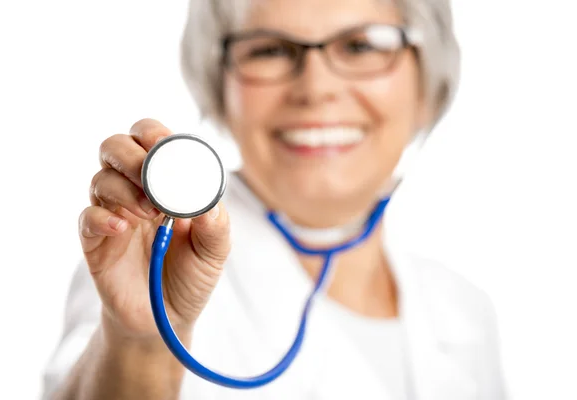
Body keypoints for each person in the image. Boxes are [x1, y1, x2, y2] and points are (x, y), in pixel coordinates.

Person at [42, 0, 507, 398]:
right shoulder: (153, 264)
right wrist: (138, 344)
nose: (316, 89)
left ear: (429, 77)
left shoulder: (464, 309)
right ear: (218, 83)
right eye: (268, 49)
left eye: (362, 45)